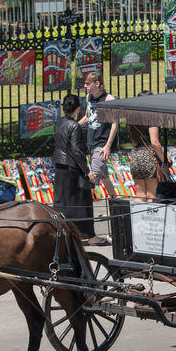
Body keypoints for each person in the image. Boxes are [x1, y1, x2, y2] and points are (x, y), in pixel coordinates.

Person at [53, 95, 98, 243]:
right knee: (82, 202)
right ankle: (89, 235)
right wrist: (88, 171)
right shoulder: (75, 126)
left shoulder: (59, 122)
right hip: (72, 168)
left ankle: (62, 232)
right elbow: (76, 151)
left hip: (60, 167)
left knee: (62, 202)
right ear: (78, 109)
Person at [79, 71, 118, 198]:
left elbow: (114, 123)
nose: (85, 86)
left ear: (97, 83)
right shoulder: (88, 97)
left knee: (93, 177)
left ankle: (86, 210)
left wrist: (108, 145)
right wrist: (74, 126)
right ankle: (116, 203)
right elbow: (87, 117)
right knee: (104, 176)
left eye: (87, 84)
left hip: (102, 144)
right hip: (91, 142)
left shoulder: (109, 99)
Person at [126, 92, 167, 203]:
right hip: (148, 156)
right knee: (151, 195)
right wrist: (165, 160)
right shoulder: (151, 117)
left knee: (140, 195)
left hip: (135, 155)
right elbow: (154, 142)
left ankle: (139, 219)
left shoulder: (131, 118)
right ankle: (150, 219)